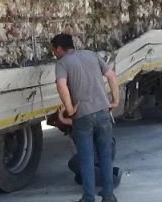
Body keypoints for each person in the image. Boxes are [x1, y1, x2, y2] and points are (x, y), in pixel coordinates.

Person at [53, 33, 119, 202]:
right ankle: (109, 195)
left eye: (54, 49)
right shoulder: (91, 55)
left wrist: (69, 109)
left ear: (60, 48)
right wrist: (115, 100)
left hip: (83, 116)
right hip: (104, 113)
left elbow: (61, 86)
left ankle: (89, 197)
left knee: (87, 159)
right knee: (105, 157)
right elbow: (111, 76)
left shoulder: (62, 63)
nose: (54, 53)